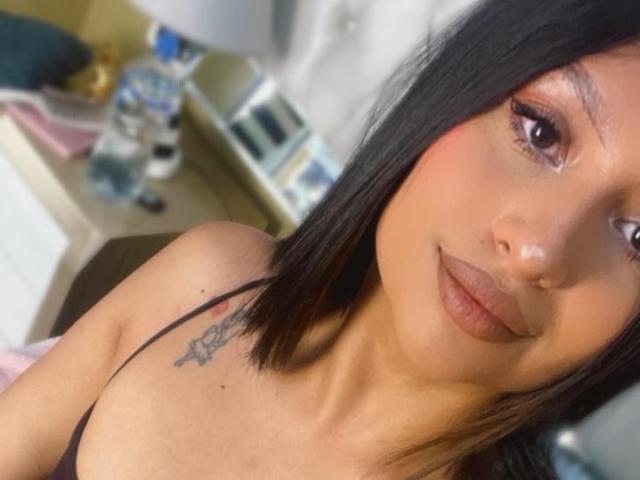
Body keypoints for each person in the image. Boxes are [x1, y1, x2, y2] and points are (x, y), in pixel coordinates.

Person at [3, 0, 640, 478]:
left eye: (638, 236)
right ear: (453, 97)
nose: (536, 251)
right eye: (540, 131)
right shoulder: (208, 276)